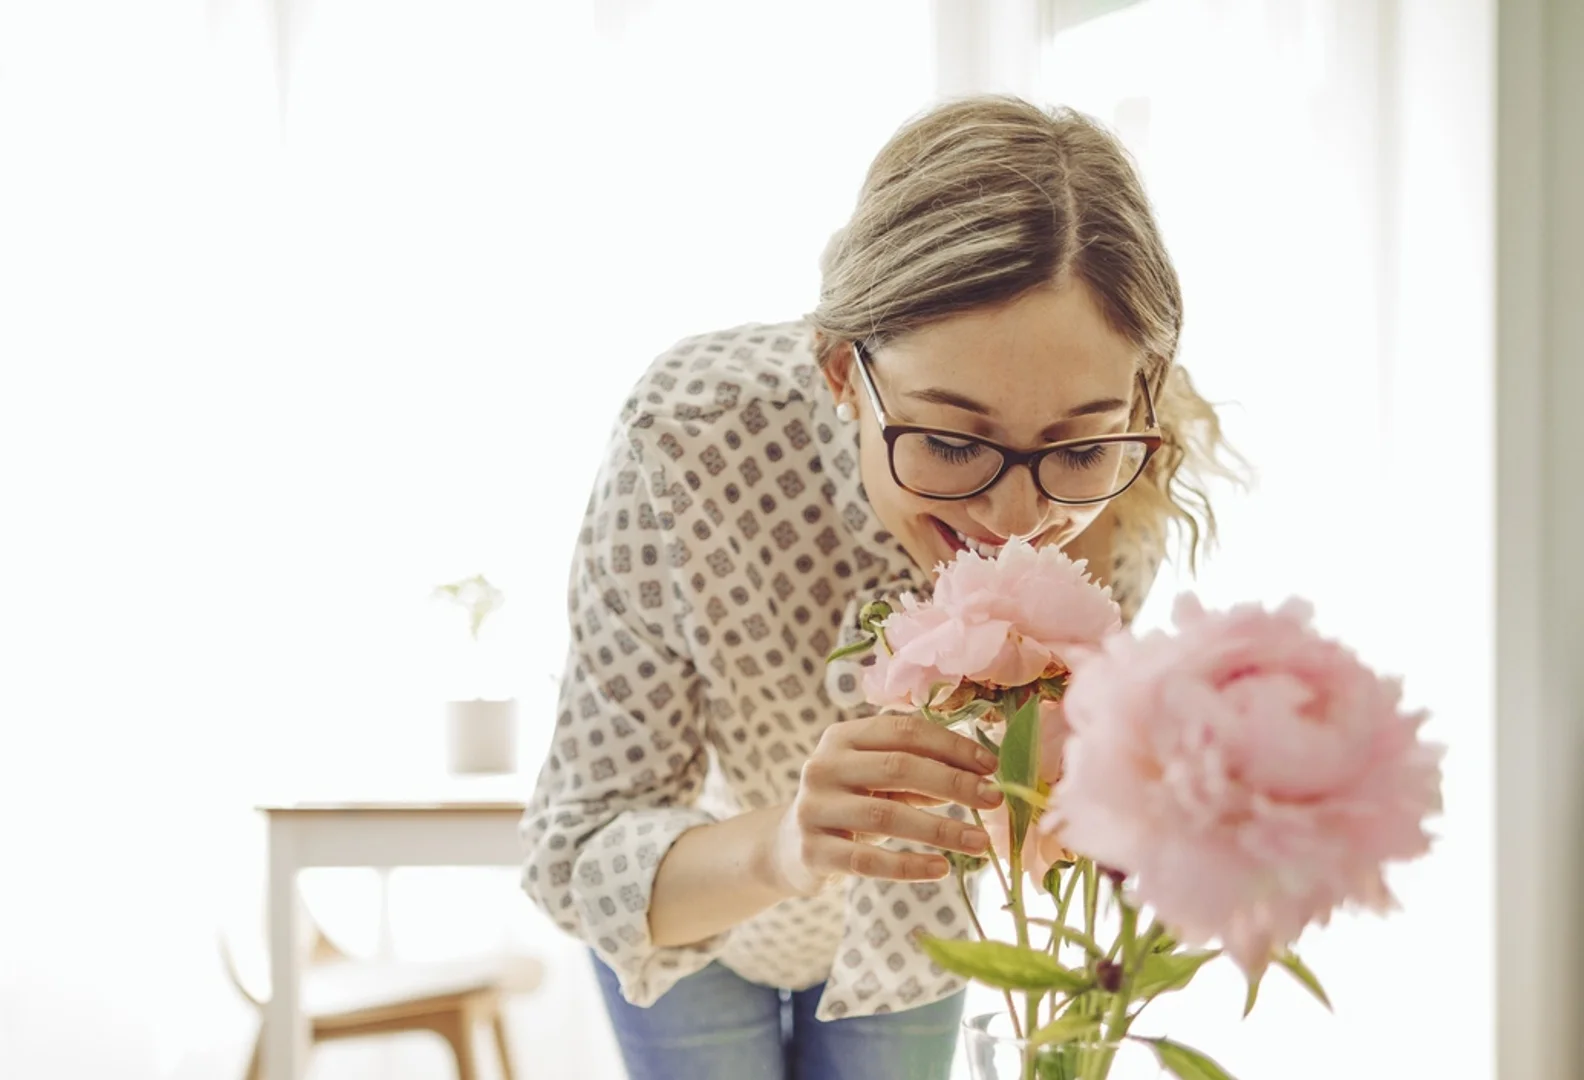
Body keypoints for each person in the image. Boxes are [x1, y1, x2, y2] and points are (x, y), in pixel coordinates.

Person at [519, 95, 1233, 1080]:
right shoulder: (689, 444)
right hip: (695, 919)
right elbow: (578, 846)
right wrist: (787, 847)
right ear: (841, 372)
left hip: (912, 922)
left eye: (1071, 445)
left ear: (1142, 394)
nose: (1019, 521)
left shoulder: (1122, 496)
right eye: (948, 440)